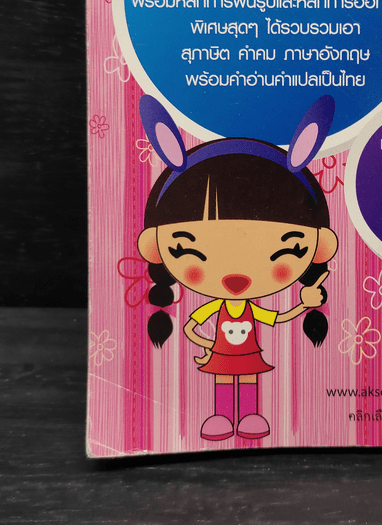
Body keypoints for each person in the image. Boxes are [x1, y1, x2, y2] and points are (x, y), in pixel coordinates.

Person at [136, 95, 338, 441]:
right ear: (154, 246)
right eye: (190, 249)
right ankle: (221, 415)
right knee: (223, 383)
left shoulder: (249, 310)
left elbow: (279, 318)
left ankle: (250, 416)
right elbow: (190, 327)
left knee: (247, 381)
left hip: (247, 355)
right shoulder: (217, 308)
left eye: (284, 249)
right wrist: (206, 342)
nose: (236, 271)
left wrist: (305, 304)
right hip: (221, 354)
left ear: (320, 246)